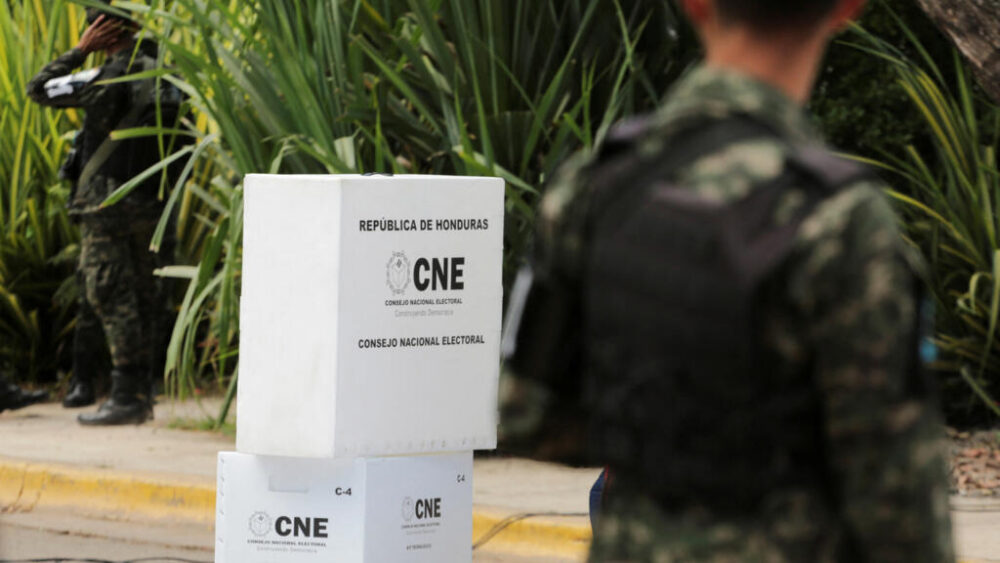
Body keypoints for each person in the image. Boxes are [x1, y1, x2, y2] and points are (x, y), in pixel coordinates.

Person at [499, 0, 955, 561]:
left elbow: (528, 418)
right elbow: (898, 504)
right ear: (846, 10)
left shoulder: (594, 187)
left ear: (694, 5)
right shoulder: (838, 220)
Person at [27, 2, 183, 425]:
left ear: (100, 30)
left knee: (110, 292)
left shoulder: (106, 76)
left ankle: (126, 395)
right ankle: (141, 393)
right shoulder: (169, 73)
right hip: (155, 203)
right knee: (147, 295)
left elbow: (39, 88)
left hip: (107, 205)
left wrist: (80, 51)